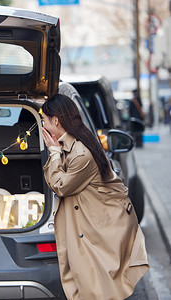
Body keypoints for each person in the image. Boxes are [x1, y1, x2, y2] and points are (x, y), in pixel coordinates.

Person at [41, 94, 149, 300]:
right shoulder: (72, 144)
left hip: (97, 231)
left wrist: (53, 153)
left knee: (95, 288)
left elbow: (60, 186)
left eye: (44, 119)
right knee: (89, 287)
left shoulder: (81, 153)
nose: (42, 124)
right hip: (88, 227)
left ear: (56, 120)